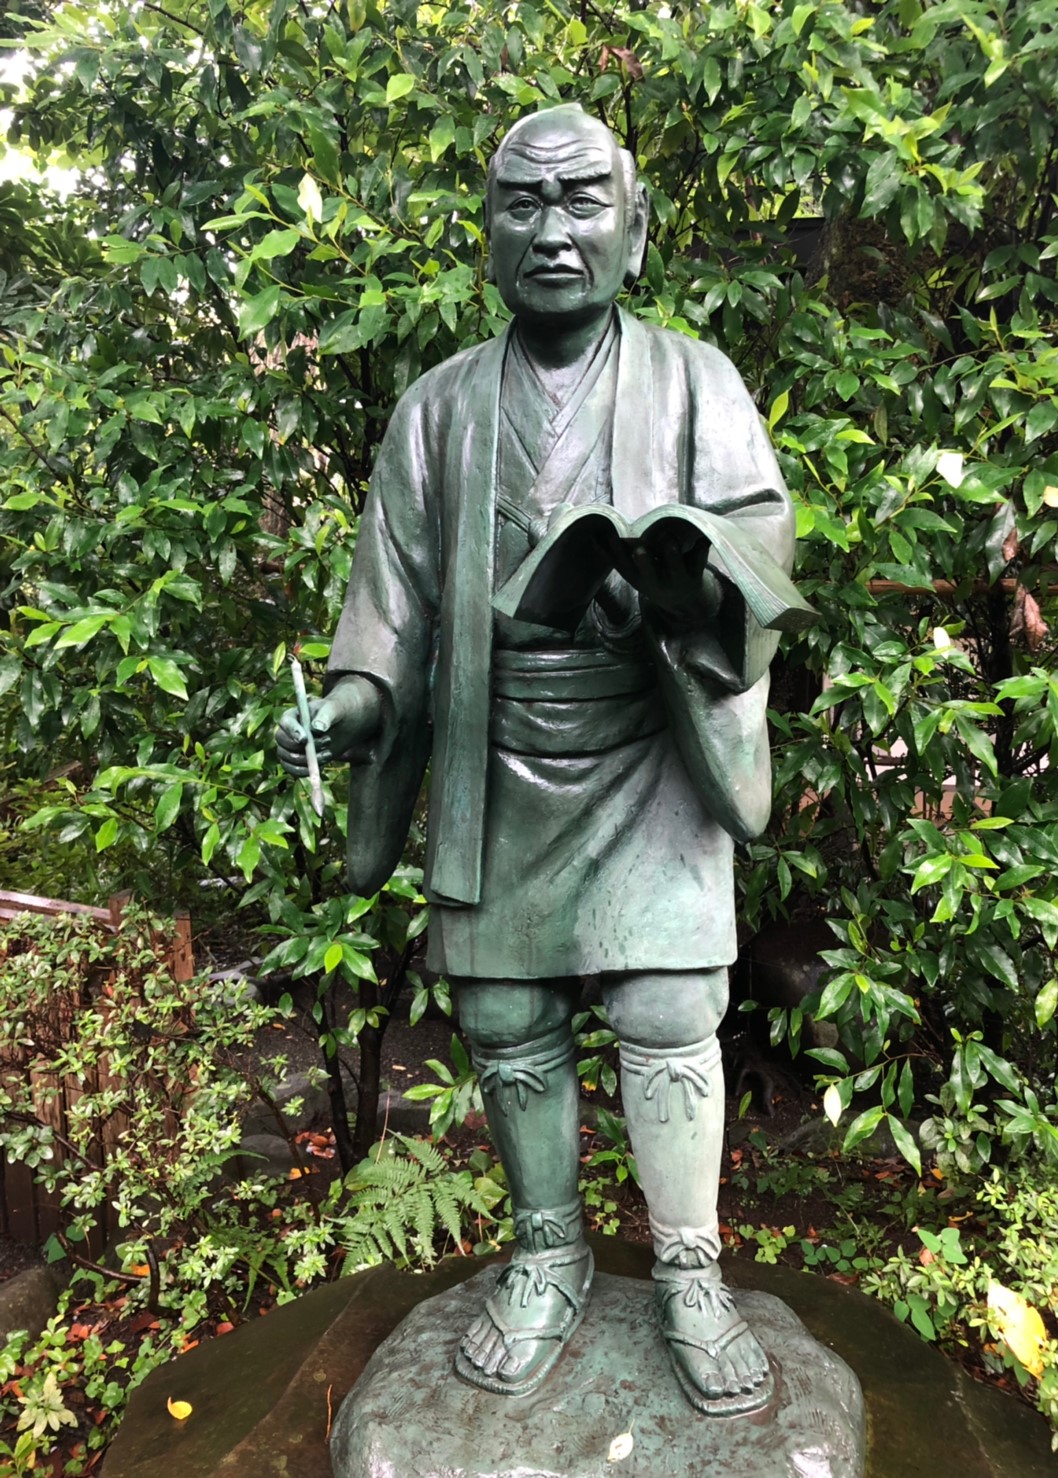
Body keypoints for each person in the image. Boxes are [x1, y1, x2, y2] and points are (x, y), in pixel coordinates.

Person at [277, 103, 804, 1417]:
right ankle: (549, 1252)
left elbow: (759, 545)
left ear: (635, 228)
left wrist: (686, 590)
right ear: (490, 229)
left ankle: (690, 1272)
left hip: (651, 754)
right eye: (525, 204)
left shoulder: (696, 382)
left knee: (669, 1009)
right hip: (497, 756)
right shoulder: (439, 408)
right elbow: (392, 601)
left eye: (582, 203)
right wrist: (351, 706)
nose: (555, 233)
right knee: (507, 1019)